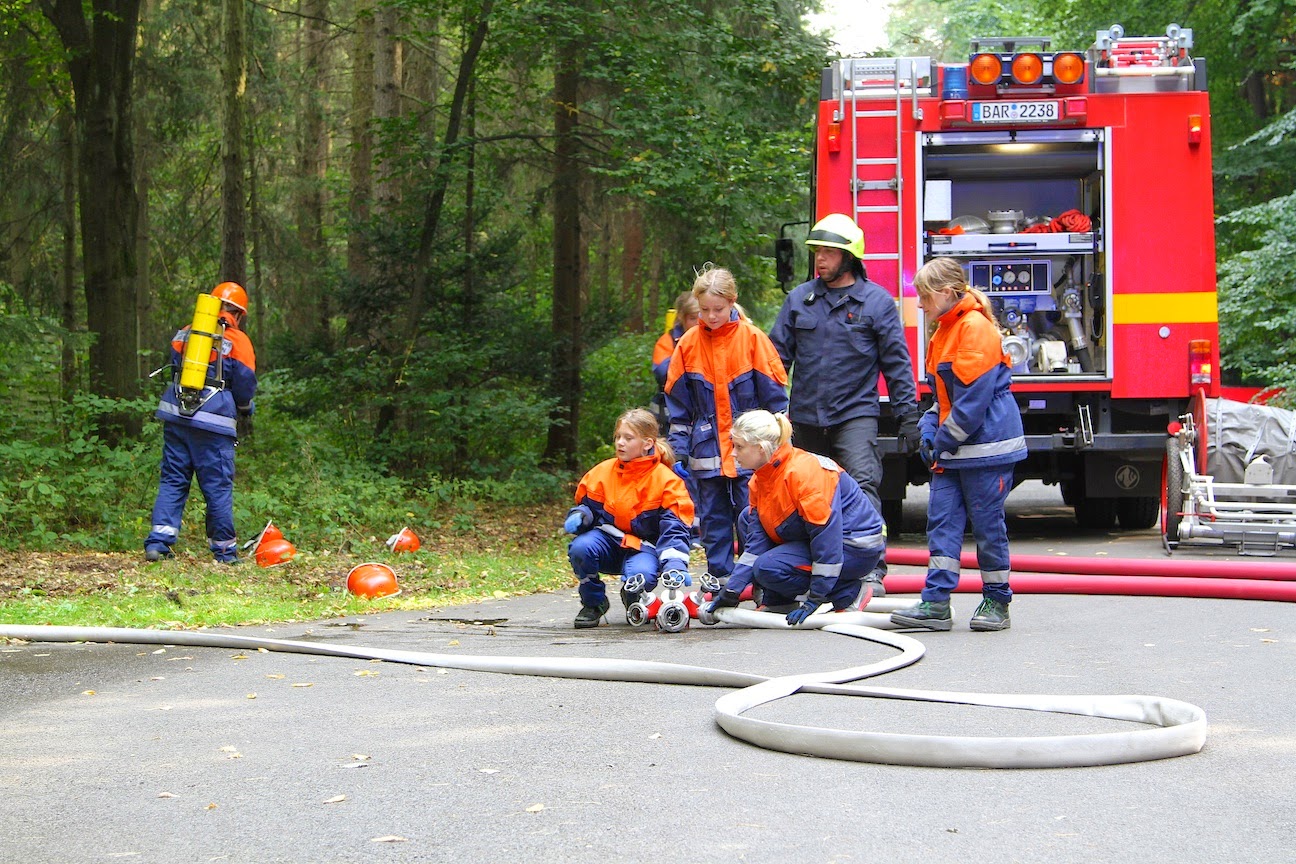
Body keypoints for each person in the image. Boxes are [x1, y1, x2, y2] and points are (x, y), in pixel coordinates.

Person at [768, 213, 922, 598]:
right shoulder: (799, 300)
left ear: (849, 257)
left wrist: (909, 417)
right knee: (800, 493)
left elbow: (897, 364)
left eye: (829, 252)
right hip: (804, 417)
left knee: (862, 486)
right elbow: (774, 361)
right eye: (817, 251)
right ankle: (801, 569)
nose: (820, 259)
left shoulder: (876, 303)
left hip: (855, 415)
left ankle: (871, 570)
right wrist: (767, 413)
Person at [890, 257, 1026, 632]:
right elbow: (942, 398)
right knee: (942, 526)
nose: (919, 303)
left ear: (947, 292)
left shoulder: (974, 328)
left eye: (924, 295)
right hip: (955, 451)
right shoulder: (945, 331)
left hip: (986, 451)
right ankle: (936, 604)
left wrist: (942, 439)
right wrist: (928, 430)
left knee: (987, 528)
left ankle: (997, 601)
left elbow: (972, 403)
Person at [665, 265, 788, 590]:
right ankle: (719, 582)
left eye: (717, 309)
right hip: (706, 453)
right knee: (714, 522)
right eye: (704, 310)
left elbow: (776, 402)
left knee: (752, 518)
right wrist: (676, 452)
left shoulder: (752, 340)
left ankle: (758, 581)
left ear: (733, 302)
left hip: (751, 452)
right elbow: (679, 408)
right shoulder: (688, 344)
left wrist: (780, 446)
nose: (711, 316)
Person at [705, 410, 886, 625]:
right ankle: (779, 599)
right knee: (748, 519)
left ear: (761, 449)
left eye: (739, 447)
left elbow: (827, 540)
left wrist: (816, 598)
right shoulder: (761, 478)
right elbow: (755, 544)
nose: (733, 453)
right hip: (829, 540)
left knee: (767, 567)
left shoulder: (804, 475)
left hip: (855, 547)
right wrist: (732, 590)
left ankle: (848, 592)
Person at [144, 281, 258, 564]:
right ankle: (224, 551)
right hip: (213, 422)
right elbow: (244, 384)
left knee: (172, 479)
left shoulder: (186, 332)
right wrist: (245, 407)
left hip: (177, 414)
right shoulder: (238, 341)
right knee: (217, 486)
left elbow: (175, 365)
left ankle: (158, 543)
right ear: (238, 314)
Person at [564, 408, 696, 628]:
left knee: (641, 575)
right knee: (580, 548)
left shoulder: (667, 481)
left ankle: (635, 598)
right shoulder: (601, 472)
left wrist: (675, 564)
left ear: (647, 443)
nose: (620, 443)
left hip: (642, 549)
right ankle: (593, 603)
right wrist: (580, 516)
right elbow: (589, 509)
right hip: (608, 542)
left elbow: (675, 529)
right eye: (618, 437)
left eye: (628, 438)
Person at [649, 291, 700, 433]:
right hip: (668, 413)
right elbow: (663, 373)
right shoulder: (668, 341)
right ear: (682, 318)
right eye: (692, 318)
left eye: (700, 317)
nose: (697, 323)